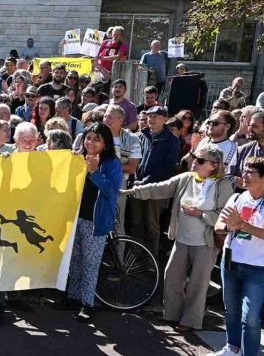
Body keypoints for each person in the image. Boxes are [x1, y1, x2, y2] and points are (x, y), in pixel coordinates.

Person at [123, 145, 232, 332]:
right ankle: (172, 314)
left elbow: (225, 216)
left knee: (198, 283)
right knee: (172, 277)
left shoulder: (223, 185)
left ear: (213, 165)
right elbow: (160, 188)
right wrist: (131, 192)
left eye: (199, 160)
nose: (193, 163)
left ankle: (190, 321)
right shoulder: (186, 179)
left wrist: (200, 214)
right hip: (182, 238)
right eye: (193, 158)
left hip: (204, 243)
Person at [207, 156, 264, 356]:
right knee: (230, 310)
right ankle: (232, 348)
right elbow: (219, 225)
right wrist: (228, 226)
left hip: (257, 267)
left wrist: (243, 225)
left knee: (250, 316)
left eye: (252, 171)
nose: (245, 174)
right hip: (230, 262)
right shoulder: (237, 196)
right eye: (245, 170)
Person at [56, 123, 121, 322]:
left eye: (96, 139)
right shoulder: (77, 158)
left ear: (105, 143)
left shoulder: (111, 163)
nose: (90, 142)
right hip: (76, 219)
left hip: (96, 222)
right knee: (74, 261)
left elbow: (112, 192)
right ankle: (73, 297)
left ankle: (87, 304)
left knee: (90, 265)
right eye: (88, 137)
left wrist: (94, 171)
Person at [130, 106, 181, 258]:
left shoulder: (172, 141)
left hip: (157, 189)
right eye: (150, 116)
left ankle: (151, 260)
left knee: (152, 225)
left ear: (165, 119)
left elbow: (167, 167)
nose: (151, 119)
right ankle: (134, 257)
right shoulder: (142, 135)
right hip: (137, 186)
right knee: (136, 222)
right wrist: (135, 179)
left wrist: (145, 181)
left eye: (156, 117)